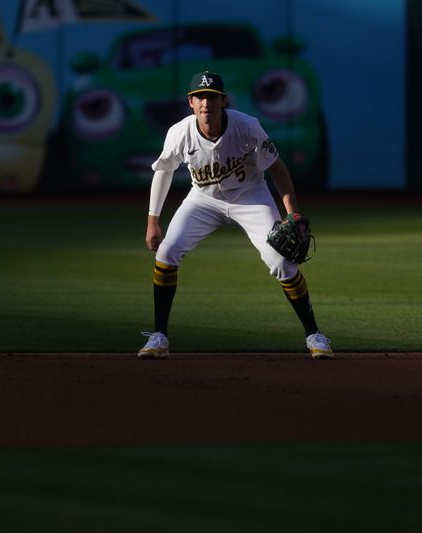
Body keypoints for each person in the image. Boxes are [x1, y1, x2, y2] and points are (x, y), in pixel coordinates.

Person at [138, 70, 333, 359]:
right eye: (200, 97)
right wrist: (153, 221)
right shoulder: (180, 132)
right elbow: (164, 171)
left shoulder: (248, 126)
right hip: (202, 200)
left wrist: (291, 212)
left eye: (212, 97)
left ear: (224, 101)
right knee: (166, 254)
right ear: (191, 103)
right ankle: (159, 337)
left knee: (281, 261)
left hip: (250, 197)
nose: (206, 103)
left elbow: (276, 167)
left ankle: (315, 336)